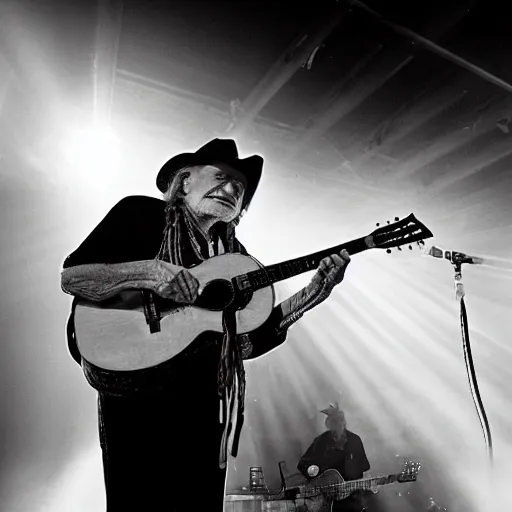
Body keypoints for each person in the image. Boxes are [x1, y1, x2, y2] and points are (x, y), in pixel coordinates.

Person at [60, 138, 351, 512]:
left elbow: (245, 343)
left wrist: (312, 294)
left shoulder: (235, 260)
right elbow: (74, 278)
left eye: (240, 188)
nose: (231, 190)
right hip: (136, 404)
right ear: (184, 182)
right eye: (221, 177)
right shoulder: (140, 214)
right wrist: (148, 273)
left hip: (203, 406)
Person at [298, 403, 373, 511]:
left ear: (344, 423)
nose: (335, 429)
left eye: (338, 424)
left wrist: (368, 484)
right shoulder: (321, 441)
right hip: (325, 502)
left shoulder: (355, 441)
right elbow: (303, 463)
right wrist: (313, 471)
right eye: (332, 425)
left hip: (352, 499)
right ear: (328, 425)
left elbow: (365, 470)